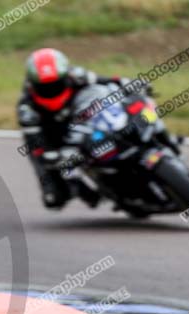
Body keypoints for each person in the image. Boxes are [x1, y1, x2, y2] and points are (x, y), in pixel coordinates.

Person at [17, 48, 136, 209]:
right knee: (54, 197)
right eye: (44, 87)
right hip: (55, 135)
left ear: (65, 76)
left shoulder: (76, 75)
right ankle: (77, 189)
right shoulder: (27, 107)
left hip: (84, 120)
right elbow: (35, 140)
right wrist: (48, 155)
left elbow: (104, 81)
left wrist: (124, 83)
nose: (51, 90)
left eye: (56, 84)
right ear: (33, 84)